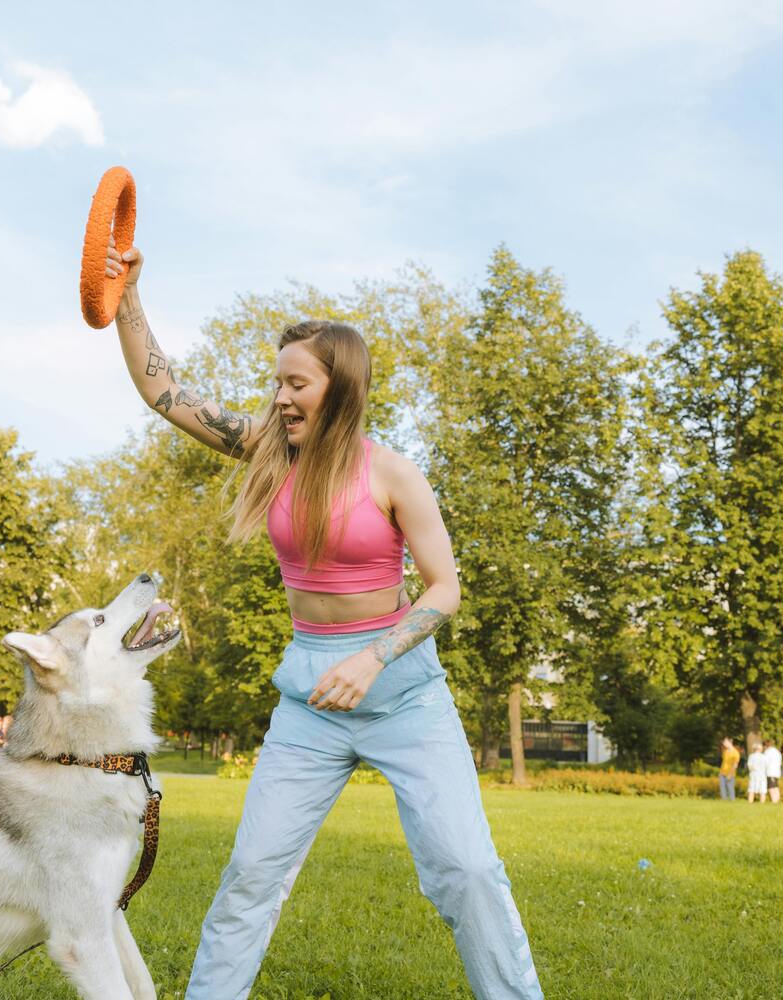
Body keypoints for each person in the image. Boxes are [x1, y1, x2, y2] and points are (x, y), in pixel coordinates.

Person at [107, 240, 544, 999]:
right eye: (276, 381)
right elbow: (164, 393)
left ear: (339, 388)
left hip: (405, 693)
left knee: (467, 870)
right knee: (252, 873)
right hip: (309, 697)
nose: (279, 397)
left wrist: (375, 657)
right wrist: (127, 299)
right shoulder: (271, 454)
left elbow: (444, 589)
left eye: (295, 382)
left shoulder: (393, 473)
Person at [762, 739, 782, 804]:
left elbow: (765, 762)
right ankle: (777, 799)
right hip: (777, 771)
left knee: (771, 787)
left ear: (765, 745)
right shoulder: (777, 752)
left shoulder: (768, 752)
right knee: (776, 786)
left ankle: (774, 800)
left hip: (770, 772)